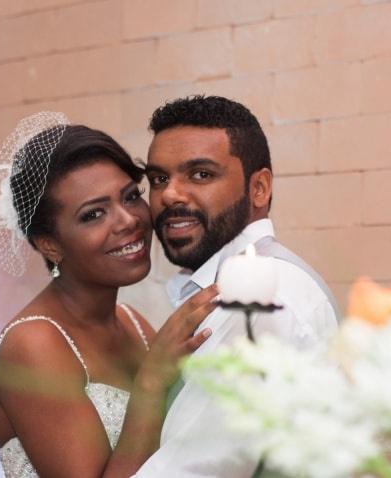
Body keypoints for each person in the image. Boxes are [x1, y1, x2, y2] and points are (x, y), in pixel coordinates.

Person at [0, 112, 217, 477]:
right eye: (93, 215)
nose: (128, 220)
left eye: (131, 196)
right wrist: (151, 381)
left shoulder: (132, 322)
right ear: (49, 244)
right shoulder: (33, 345)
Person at [135, 96, 341, 477]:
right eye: (159, 179)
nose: (169, 195)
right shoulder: (239, 284)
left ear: (259, 188)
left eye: (200, 174)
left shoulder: (258, 297)